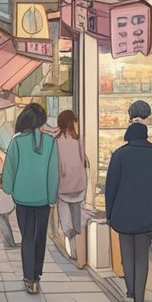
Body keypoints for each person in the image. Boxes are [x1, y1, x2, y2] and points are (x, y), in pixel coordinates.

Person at [105, 99, 152, 302]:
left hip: (122, 214)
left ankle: (131, 291)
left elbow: (110, 188)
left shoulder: (119, 155)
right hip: (146, 215)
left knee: (127, 255)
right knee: (142, 257)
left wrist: (109, 214)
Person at [2, 103, 59, 294]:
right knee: (40, 236)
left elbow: (9, 169)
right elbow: (54, 173)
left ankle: (28, 277)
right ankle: (37, 274)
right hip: (43, 199)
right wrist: (52, 197)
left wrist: (8, 189)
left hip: (23, 198)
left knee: (27, 236)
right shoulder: (51, 143)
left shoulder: (17, 142)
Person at [55, 109, 88, 259]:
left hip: (63, 185)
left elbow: (56, 166)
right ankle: (76, 246)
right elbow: (84, 161)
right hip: (79, 184)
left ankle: (70, 246)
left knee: (65, 217)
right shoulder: (79, 140)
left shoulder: (56, 142)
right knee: (77, 216)